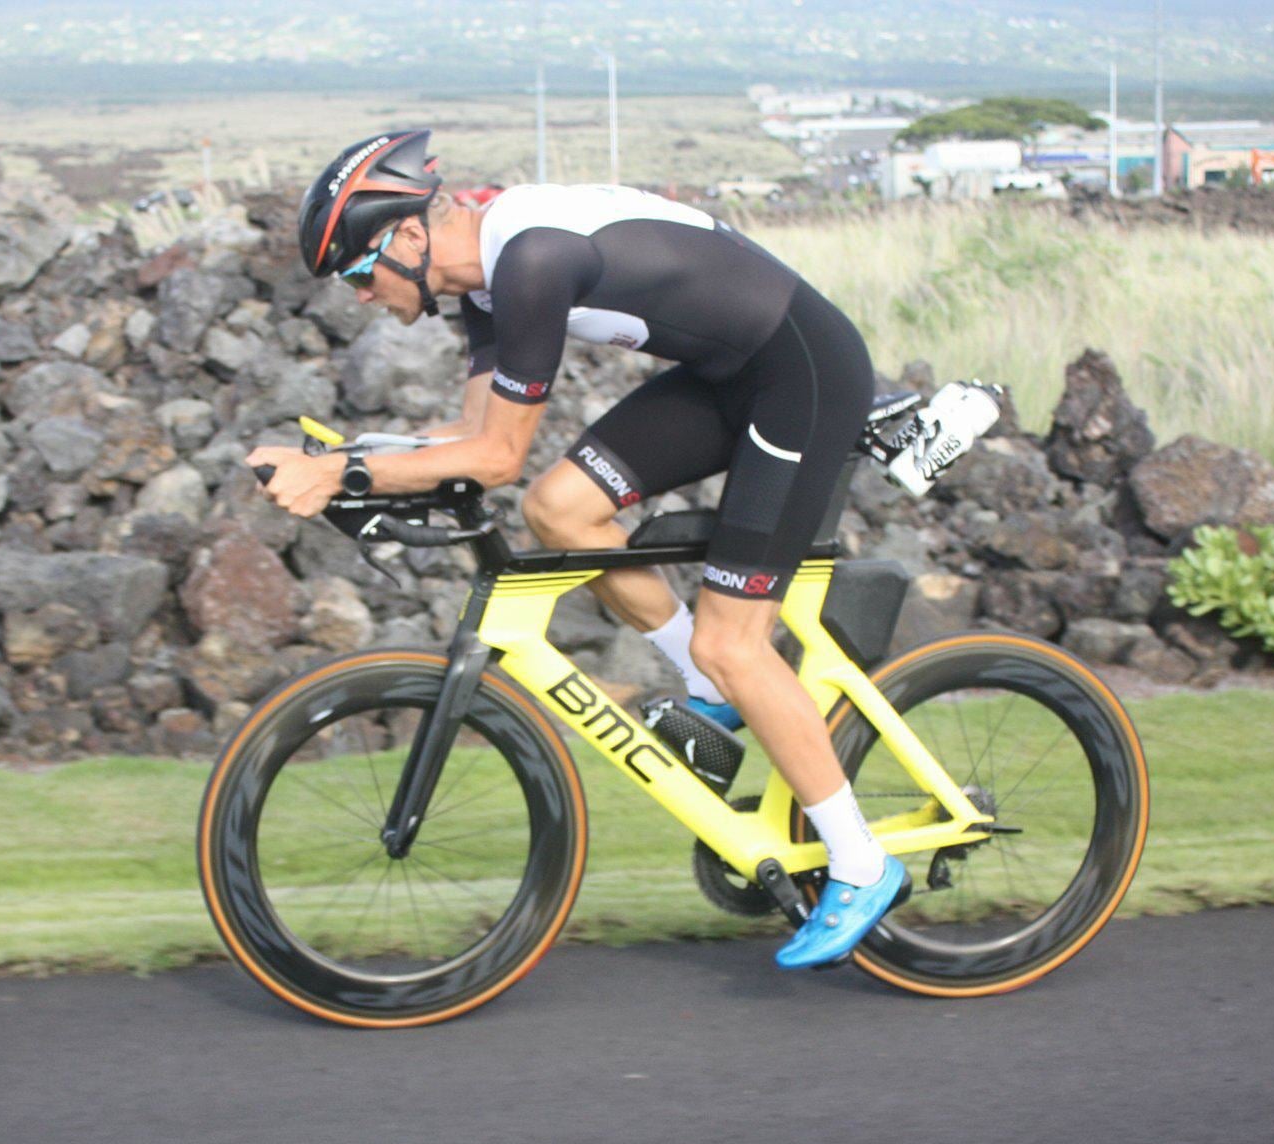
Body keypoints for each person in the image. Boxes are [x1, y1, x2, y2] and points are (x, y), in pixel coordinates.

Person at [247, 129, 905, 970]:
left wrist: (343, 473)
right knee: (559, 511)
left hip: (802, 377)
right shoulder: (487, 279)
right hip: (733, 375)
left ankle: (861, 861)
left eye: (356, 273)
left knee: (734, 640)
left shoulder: (530, 262)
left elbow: (496, 457)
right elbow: (467, 435)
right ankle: (710, 688)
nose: (361, 296)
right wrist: (347, 460)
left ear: (408, 236)